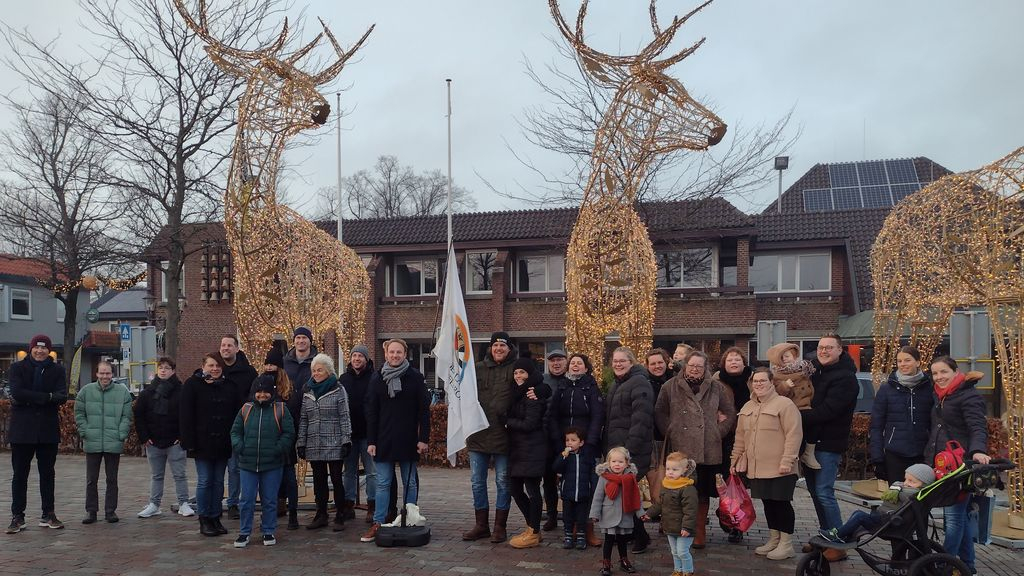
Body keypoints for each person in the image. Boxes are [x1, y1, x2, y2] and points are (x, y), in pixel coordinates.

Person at [655, 350, 736, 549]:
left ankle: (699, 531)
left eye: (699, 366)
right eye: (691, 365)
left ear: (705, 368)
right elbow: (660, 412)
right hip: (680, 449)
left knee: (701, 493)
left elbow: (730, 413)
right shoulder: (670, 386)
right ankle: (678, 529)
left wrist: (718, 431)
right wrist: (671, 431)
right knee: (678, 491)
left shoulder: (716, 387)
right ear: (685, 365)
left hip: (706, 449)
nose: (695, 369)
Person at [924, 356, 991, 574]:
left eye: (944, 372)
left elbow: (978, 427)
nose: (939, 377)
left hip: (960, 467)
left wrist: (978, 451)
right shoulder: (940, 396)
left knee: (953, 517)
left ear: (955, 371)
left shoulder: (968, 396)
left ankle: (945, 564)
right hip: (944, 465)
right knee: (958, 516)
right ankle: (966, 566)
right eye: (935, 373)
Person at [360, 339, 430, 543]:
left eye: (399, 352)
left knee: (410, 483)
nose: (395, 355)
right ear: (386, 353)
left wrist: (423, 438)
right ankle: (378, 522)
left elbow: (424, 411)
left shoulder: (415, 377)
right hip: (383, 438)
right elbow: (371, 411)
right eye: (391, 352)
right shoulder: (377, 378)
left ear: (405, 353)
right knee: (383, 482)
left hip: (408, 438)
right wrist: (371, 440)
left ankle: (410, 518)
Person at [730, 367, 803, 560]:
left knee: (781, 504)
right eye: (756, 381)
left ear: (772, 383)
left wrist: (787, 460)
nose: (759, 384)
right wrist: (734, 460)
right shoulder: (747, 407)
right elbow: (740, 438)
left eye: (763, 381)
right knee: (768, 504)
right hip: (757, 468)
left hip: (781, 467)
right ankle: (774, 539)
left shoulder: (784, 404)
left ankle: (786, 544)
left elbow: (794, 435)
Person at [800, 334, 859, 561]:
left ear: (839, 350)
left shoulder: (846, 379)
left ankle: (838, 544)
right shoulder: (814, 372)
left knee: (825, 493)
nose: (823, 351)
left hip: (828, 443)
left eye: (829, 348)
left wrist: (796, 416)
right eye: (820, 347)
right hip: (810, 442)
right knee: (815, 493)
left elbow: (828, 410)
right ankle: (826, 539)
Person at [6, 334, 68, 533]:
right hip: (22, 431)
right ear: (31, 348)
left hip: (47, 431)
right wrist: (47, 397)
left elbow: (62, 396)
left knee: (47, 474)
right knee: (19, 475)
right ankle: (18, 516)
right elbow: (17, 393)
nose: (40, 351)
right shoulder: (17, 368)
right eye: (36, 348)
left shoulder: (57, 369)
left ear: (49, 350)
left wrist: (31, 398)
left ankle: (48, 514)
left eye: (44, 348)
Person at [463, 331, 516, 543]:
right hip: (478, 434)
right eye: (495, 346)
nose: (499, 349)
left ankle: (499, 527)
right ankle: (481, 525)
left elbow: (534, 384)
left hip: (504, 435)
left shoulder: (516, 369)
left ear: (509, 348)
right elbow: (463, 392)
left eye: (503, 346)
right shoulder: (477, 368)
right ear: (490, 348)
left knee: (503, 481)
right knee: (477, 481)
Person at [547, 352, 605, 547]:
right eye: (572, 363)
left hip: (587, 444)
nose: (575, 366)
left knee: (588, 487)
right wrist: (558, 441)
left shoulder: (591, 387)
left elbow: (598, 417)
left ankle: (587, 529)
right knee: (568, 485)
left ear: (586, 368)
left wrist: (590, 443)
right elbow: (552, 415)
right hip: (565, 443)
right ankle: (571, 528)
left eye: (579, 363)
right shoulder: (562, 386)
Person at [230, 375, 295, 548]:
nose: (262, 395)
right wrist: (240, 447)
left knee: (270, 499)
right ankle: (244, 532)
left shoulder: (280, 409)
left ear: (272, 392)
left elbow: (288, 433)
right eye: (259, 391)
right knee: (246, 500)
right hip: (248, 463)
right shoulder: (246, 409)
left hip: (272, 463)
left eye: (266, 391)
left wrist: (278, 449)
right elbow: (235, 431)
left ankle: (268, 530)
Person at [180, 353, 236, 537]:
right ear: (203, 366)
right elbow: (185, 414)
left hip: (223, 442)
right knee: (205, 480)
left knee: (219, 482)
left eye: (218, 365)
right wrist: (188, 442)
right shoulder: (192, 385)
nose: (215, 368)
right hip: (202, 442)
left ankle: (215, 516)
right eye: (211, 365)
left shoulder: (229, 386)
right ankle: (204, 518)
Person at [605, 346, 655, 553]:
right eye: (615, 361)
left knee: (628, 492)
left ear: (631, 362)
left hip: (631, 451)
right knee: (623, 492)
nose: (618, 364)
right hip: (617, 450)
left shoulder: (639, 383)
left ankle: (641, 536)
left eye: (622, 360)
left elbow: (641, 419)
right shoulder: (617, 384)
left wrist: (628, 451)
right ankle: (631, 533)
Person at [296, 353, 352, 531]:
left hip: (334, 440)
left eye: (319, 370)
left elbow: (344, 416)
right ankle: (321, 514)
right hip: (314, 442)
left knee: (336, 479)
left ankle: (340, 515)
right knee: (319, 480)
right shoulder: (307, 391)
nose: (316, 373)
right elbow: (303, 419)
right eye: (313, 370)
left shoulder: (338, 389)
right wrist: (301, 442)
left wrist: (346, 440)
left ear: (328, 371)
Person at [249, 341, 301, 530]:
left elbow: (294, 412)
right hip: (265, 440)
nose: (269, 367)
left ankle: (293, 512)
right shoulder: (259, 382)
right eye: (267, 364)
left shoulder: (288, 386)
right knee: (269, 480)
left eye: (273, 364)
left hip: (284, 439)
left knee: (289, 479)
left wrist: (290, 438)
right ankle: (274, 509)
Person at [74, 361, 133, 524]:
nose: (105, 376)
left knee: (112, 479)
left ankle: (110, 511)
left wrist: (121, 434)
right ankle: (91, 511)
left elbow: (126, 417)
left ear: (112, 374)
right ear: (96, 374)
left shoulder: (122, 393)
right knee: (91, 479)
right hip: (92, 441)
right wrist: (85, 431)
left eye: (108, 373)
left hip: (113, 441)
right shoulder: (86, 391)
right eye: (102, 373)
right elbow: (79, 413)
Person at [135, 356, 194, 519]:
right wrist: (144, 437)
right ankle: (154, 504)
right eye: (160, 367)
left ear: (173, 371)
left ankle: (183, 503)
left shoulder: (181, 391)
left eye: (167, 368)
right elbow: (139, 414)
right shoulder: (147, 392)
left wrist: (182, 437)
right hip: (153, 441)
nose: (163, 370)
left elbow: (187, 415)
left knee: (180, 474)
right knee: (156, 475)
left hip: (175, 441)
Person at [819, 463, 935, 543]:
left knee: (859, 516)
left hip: (888, 523)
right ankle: (843, 535)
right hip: (885, 519)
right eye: (905, 479)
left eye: (911, 481)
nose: (905, 483)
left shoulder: (912, 494)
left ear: (924, 484)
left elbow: (905, 494)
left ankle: (837, 535)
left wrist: (897, 486)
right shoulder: (907, 490)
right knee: (857, 513)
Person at [869, 346, 933, 483]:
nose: (903, 364)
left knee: (920, 498)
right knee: (896, 497)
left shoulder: (929, 388)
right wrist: (877, 458)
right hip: (895, 453)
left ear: (917, 362)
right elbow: (876, 426)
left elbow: (935, 422)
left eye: (907, 360)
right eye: (899, 361)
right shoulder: (886, 389)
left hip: (923, 452)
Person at [507, 357, 552, 549]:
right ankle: (532, 526)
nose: (518, 376)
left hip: (533, 448)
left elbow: (530, 424)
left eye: (522, 372)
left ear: (530, 374)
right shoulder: (517, 392)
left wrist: (508, 422)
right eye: (516, 372)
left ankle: (533, 532)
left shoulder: (533, 394)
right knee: (515, 489)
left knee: (532, 491)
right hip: (519, 450)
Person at [711, 346, 753, 543]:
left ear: (743, 362)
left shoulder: (753, 380)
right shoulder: (716, 381)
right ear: (723, 364)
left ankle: (736, 524)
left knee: (739, 483)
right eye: (730, 359)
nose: (734, 362)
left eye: (737, 359)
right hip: (724, 437)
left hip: (747, 436)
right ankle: (725, 511)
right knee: (725, 480)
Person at [219, 335, 258, 520]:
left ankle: (234, 503)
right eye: (223, 345)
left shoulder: (248, 372)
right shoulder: (214, 368)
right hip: (217, 428)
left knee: (236, 468)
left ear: (236, 348)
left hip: (240, 426)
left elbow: (253, 398)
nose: (225, 348)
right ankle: (216, 502)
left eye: (229, 345)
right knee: (216, 470)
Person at [641, 452, 699, 576]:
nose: (670, 472)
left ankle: (688, 571)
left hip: (684, 528)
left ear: (684, 470)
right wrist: (649, 513)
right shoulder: (666, 485)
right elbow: (660, 504)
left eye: (675, 469)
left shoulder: (688, 488)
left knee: (682, 551)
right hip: (670, 525)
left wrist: (687, 527)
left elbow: (691, 511)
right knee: (674, 551)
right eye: (668, 469)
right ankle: (678, 570)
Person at [339, 344, 378, 524]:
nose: (357, 359)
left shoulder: (375, 377)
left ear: (366, 359)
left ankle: (372, 505)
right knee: (349, 472)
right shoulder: (343, 379)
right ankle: (348, 505)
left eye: (360, 356)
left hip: (369, 433)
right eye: (354, 355)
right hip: (349, 433)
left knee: (371, 472)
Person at [591, 446, 643, 575]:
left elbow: (635, 497)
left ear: (627, 463)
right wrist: (594, 514)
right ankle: (606, 563)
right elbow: (598, 497)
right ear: (608, 462)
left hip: (625, 514)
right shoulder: (604, 477)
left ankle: (624, 561)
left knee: (622, 540)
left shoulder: (630, 478)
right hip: (609, 514)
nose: (617, 464)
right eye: (614, 461)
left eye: (620, 462)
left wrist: (641, 513)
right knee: (608, 540)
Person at [767, 342, 819, 469]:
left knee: (814, 425)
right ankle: (797, 459)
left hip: (806, 405)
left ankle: (808, 453)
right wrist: (785, 386)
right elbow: (775, 392)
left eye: (788, 356)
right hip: (792, 408)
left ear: (795, 357)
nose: (785, 359)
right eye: (782, 357)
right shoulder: (776, 375)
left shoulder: (804, 371)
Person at [552, 426, 595, 550]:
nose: (569, 443)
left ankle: (581, 536)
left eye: (573, 440)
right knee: (567, 516)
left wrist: (592, 487)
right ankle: (568, 536)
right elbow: (555, 468)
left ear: (581, 443)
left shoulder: (586, 457)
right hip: (568, 493)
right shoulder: (565, 456)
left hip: (583, 492)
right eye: (567, 440)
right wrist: (562, 457)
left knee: (582, 516)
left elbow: (592, 472)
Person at [541, 349, 568, 532]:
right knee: (549, 479)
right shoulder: (541, 381)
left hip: (568, 439)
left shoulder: (571, 381)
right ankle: (551, 515)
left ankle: (570, 517)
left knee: (570, 479)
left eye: (559, 360)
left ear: (566, 362)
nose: (556, 363)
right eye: (553, 360)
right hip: (546, 439)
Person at [644, 348, 672, 503]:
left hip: (673, 436)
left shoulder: (674, 381)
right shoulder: (645, 384)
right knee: (656, 476)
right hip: (654, 437)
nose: (657, 366)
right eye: (653, 363)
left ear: (666, 363)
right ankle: (660, 509)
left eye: (660, 362)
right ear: (647, 366)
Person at [283, 326, 317, 396]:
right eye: (298, 338)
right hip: (288, 403)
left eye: (304, 337)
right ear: (294, 341)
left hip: (311, 403)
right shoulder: (285, 361)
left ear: (310, 341)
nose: (301, 341)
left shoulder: (318, 362)